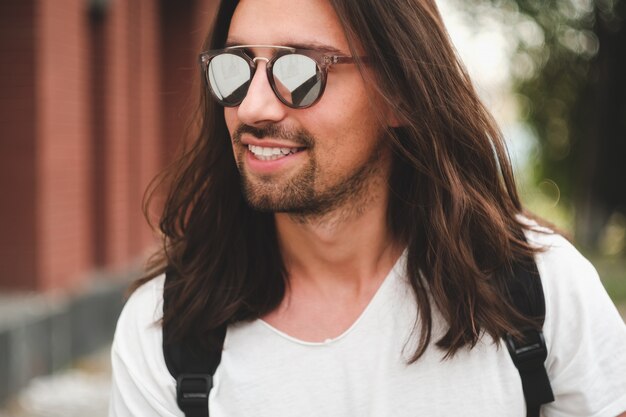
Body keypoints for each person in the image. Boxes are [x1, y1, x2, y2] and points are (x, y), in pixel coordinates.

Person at [108, 0, 626, 416]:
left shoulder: (539, 289)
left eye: (300, 69)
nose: (252, 107)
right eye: (235, 66)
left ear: (400, 92)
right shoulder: (166, 332)